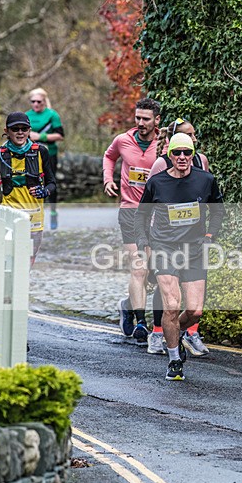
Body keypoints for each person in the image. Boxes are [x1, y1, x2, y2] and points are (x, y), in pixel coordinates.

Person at [135, 132, 224, 381]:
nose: (182, 157)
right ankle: (174, 359)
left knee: (194, 311)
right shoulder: (157, 182)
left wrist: (210, 236)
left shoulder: (206, 180)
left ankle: (174, 333)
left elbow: (218, 211)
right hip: (164, 247)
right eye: (177, 153)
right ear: (169, 155)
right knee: (172, 306)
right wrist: (144, 243)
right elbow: (141, 215)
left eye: (187, 152)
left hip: (194, 249)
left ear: (192, 154)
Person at [146, 118, 211, 356]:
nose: (194, 140)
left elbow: (206, 195)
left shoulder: (201, 161)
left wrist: (207, 232)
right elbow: (150, 206)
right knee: (166, 294)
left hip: (192, 240)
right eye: (188, 135)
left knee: (194, 301)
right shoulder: (160, 166)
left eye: (193, 137)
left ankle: (188, 332)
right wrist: (151, 243)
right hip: (164, 238)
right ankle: (158, 332)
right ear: (171, 147)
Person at [103, 97, 161, 343]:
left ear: (157, 120)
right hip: (130, 211)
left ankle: (127, 305)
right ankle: (140, 323)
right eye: (137, 117)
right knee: (139, 268)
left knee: (154, 274)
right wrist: (108, 179)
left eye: (146, 119)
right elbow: (109, 157)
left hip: (157, 215)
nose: (140, 123)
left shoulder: (164, 145)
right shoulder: (123, 140)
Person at [0, 112, 56, 265]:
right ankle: (8, 285)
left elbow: (52, 183)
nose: (20, 132)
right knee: (8, 254)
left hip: (34, 214)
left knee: (30, 256)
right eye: (15, 129)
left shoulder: (41, 152)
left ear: (29, 131)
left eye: (24, 129)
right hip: (9, 211)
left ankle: (21, 286)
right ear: (6, 131)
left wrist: (45, 191)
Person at [26, 88, 64, 230]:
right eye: (33, 101)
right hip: (30, 154)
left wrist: (41, 137)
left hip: (49, 154)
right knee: (30, 182)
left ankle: (53, 212)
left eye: (39, 101)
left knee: (50, 181)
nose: (36, 104)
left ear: (44, 101)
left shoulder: (52, 115)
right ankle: (33, 214)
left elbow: (60, 135)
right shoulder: (26, 115)